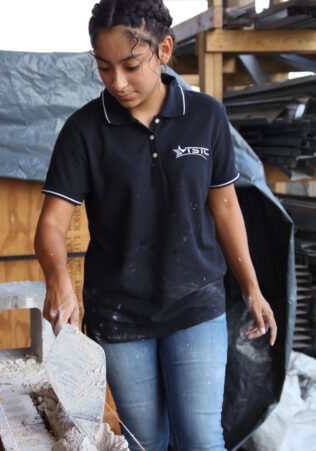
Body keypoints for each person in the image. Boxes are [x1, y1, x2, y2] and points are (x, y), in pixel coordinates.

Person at [34, 1, 277, 449]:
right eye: (104, 69)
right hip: (119, 312)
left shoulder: (206, 117)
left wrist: (252, 287)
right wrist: (58, 281)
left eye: (130, 65)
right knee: (145, 441)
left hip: (196, 303)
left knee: (201, 440)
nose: (118, 83)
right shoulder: (84, 130)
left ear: (164, 49)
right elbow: (51, 224)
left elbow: (225, 209)